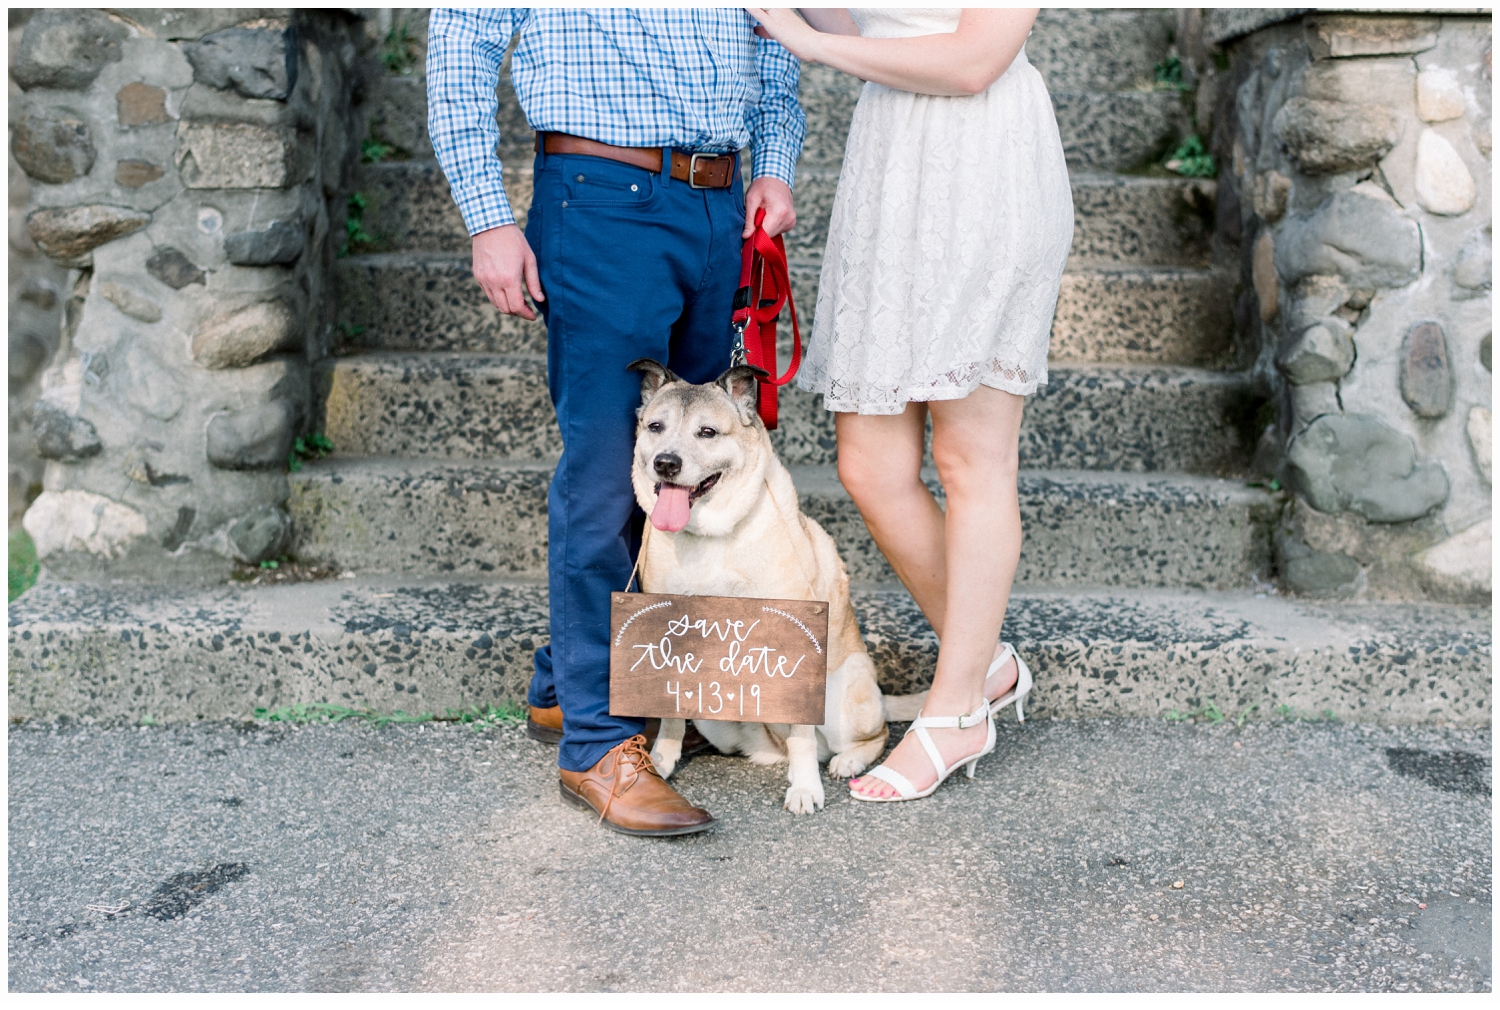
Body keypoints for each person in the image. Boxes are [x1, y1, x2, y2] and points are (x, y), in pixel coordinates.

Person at [427, 8, 805, 834]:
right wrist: (489, 217)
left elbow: (774, 40)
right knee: (611, 474)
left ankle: (574, 688)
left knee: (690, 469)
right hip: (601, 203)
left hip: (720, 206)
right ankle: (599, 745)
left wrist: (772, 165)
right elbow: (461, 39)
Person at [746, 8, 1072, 801]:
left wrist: (813, 46)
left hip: (984, 160)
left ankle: (956, 711)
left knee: (970, 458)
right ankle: (988, 666)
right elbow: (857, 14)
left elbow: (973, 61)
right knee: (869, 463)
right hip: (891, 167)